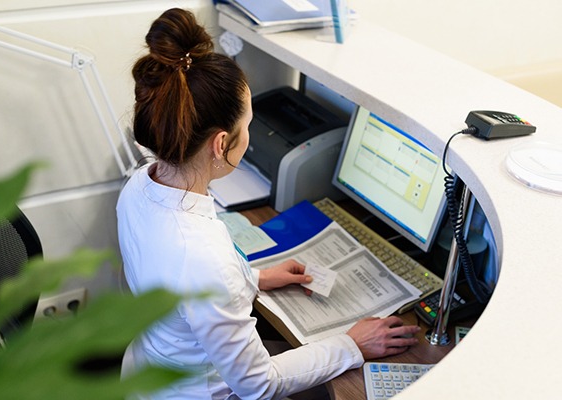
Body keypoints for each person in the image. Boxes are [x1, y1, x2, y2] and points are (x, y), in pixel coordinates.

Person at [117, 8, 420, 400]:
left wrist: (255, 278)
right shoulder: (203, 257)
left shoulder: (140, 185)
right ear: (221, 144)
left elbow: (179, 286)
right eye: (248, 125)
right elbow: (259, 386)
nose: (250, 135)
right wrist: (352, 345)